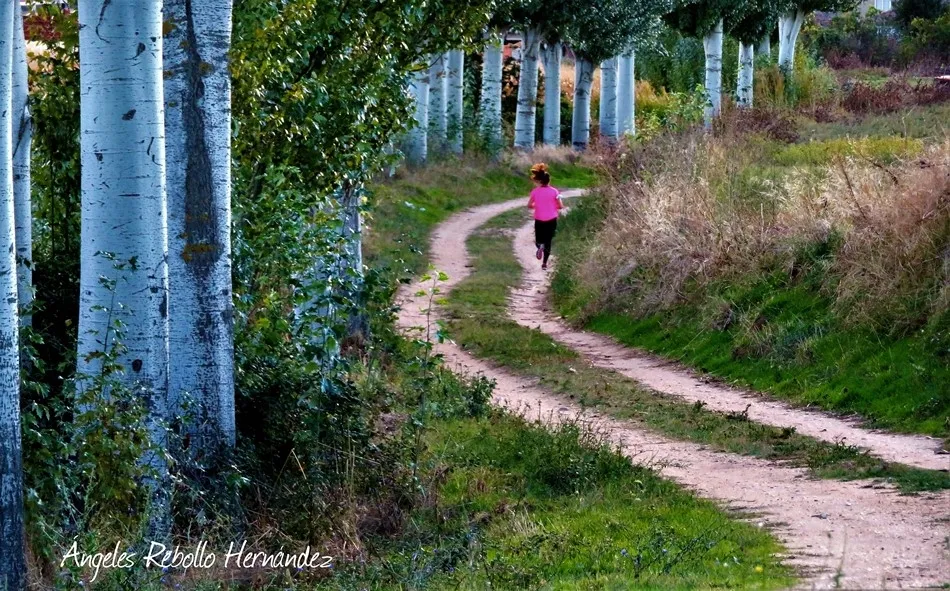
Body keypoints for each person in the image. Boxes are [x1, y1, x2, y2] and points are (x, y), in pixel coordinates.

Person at [527, 163, 564, 270]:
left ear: (539, 181)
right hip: (551, 219)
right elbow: (561, 206)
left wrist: (536, 205)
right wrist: (554, 205)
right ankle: (544, 263)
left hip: (539, 219)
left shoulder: (535, 192)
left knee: (539, 240)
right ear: (549, 181)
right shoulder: (554, 191)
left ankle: (540, 247)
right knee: (548, 241)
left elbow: (529, 205)